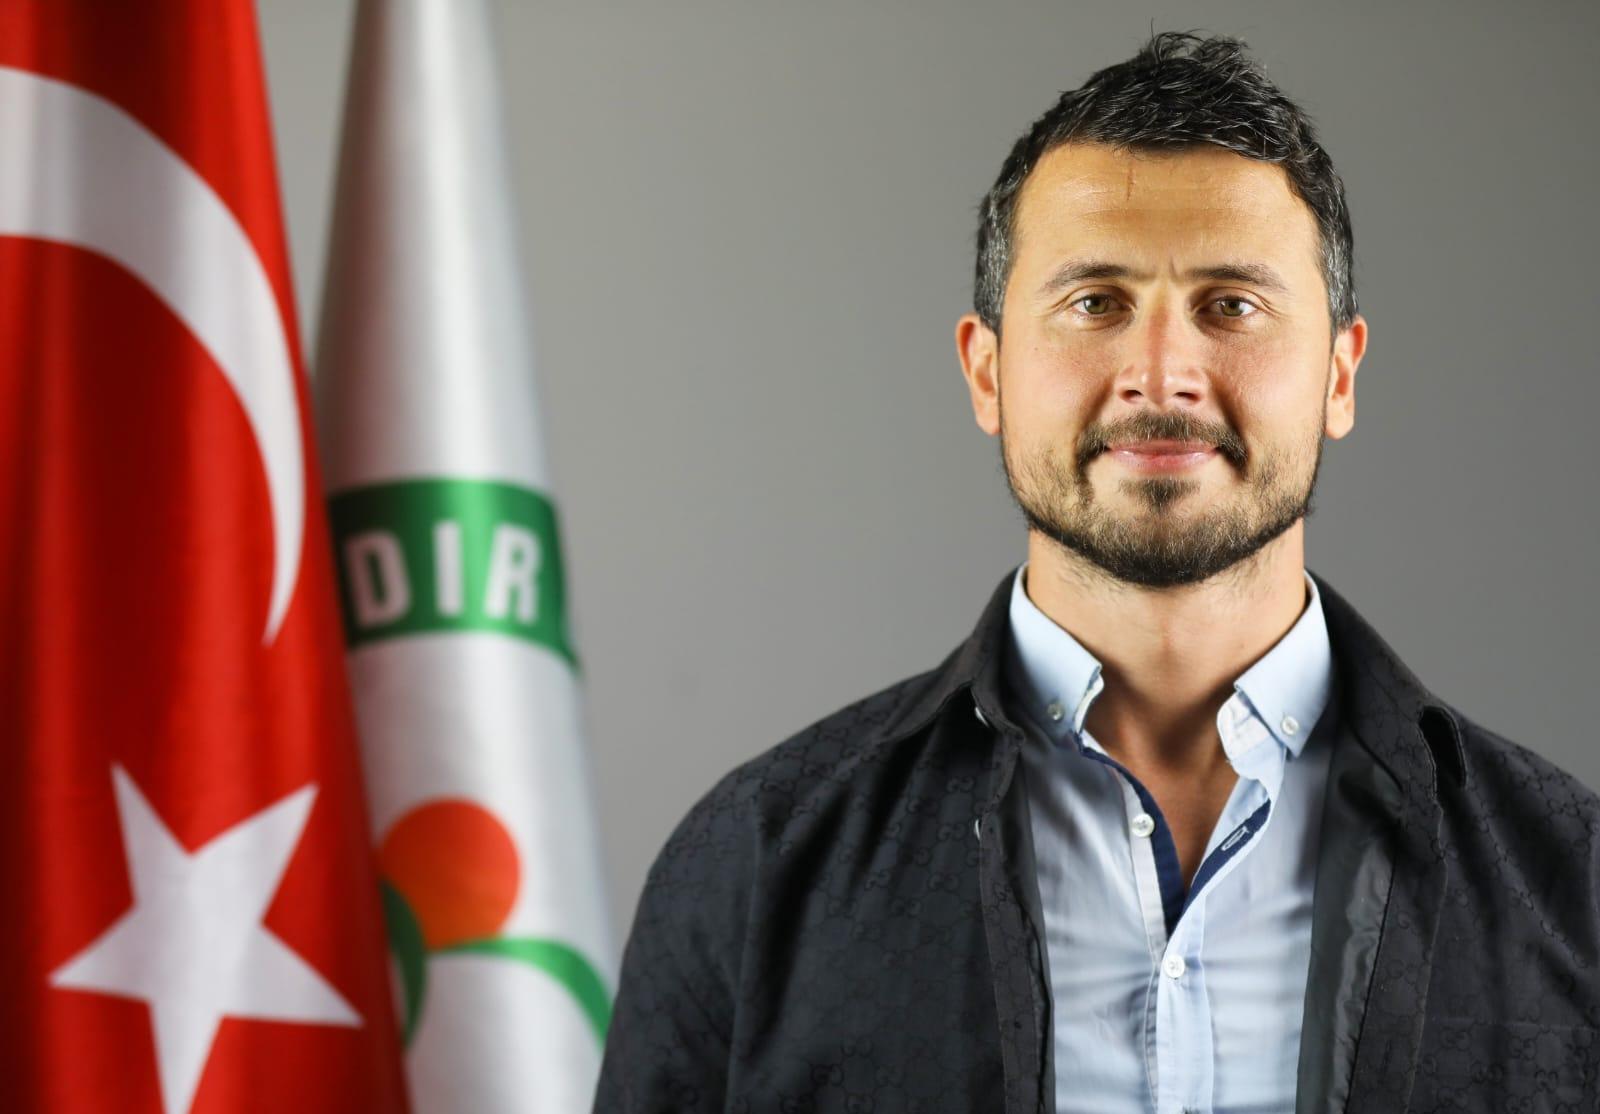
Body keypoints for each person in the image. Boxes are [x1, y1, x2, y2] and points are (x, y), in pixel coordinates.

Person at [592, 30, 1600, 1114]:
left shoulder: (1573, 884)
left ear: (1339, 377)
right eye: (1094, 302)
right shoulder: (755, 862)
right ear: (986, 372)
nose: (1159, 374)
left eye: (1231, 304)